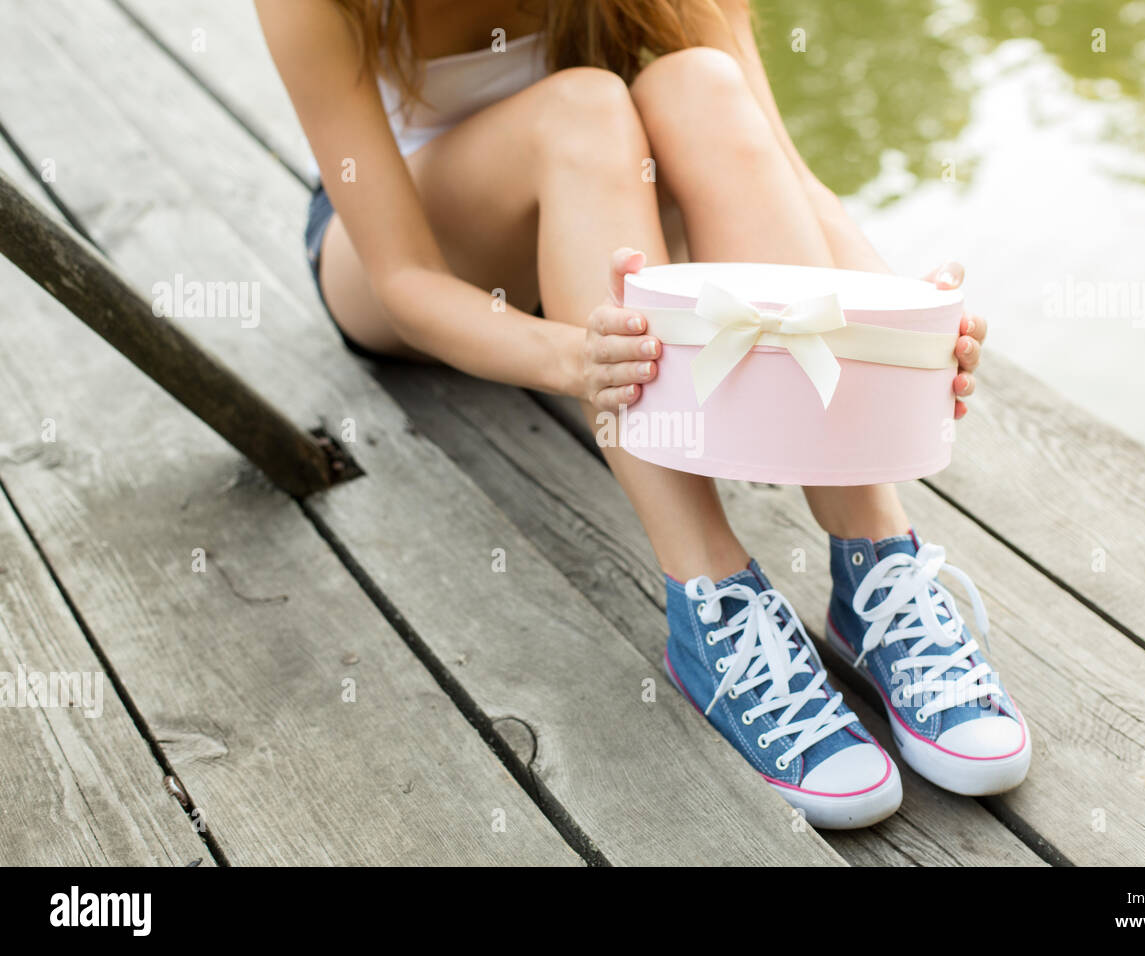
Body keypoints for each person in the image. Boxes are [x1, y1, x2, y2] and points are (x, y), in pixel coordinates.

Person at [257, 0, 1029, 829]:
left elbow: (790, 178)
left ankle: (874, 564)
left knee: (702, 82)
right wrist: (571, 359)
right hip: (408, 254)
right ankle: (710, 598)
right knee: (582, 105)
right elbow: (405, 284)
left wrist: (908, 334)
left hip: (603, 214)